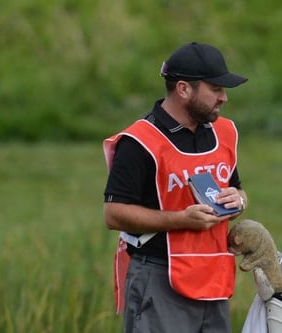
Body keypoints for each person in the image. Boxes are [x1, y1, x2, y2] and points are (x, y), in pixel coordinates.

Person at [102, 42, 249, 333]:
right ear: (183, 89)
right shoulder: (139, 141)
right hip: (159, 277)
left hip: (214, 278)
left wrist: (239, 200)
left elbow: (236, 187)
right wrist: (181, 219)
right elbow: (113, 214)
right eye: (215, 89)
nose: (224, 98)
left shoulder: (225, 131)